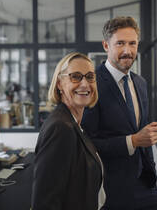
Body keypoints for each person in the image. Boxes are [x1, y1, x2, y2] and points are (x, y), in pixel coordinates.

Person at [82, 16, 157, 210]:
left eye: (132, 43)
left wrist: (146, 137)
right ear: (105, 45)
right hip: (112, 189)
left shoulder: (140, 83)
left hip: (147, 183)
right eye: (120, 43)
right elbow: (87, 144)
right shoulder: (91, 85)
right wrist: (133, 140)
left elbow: (139, 130)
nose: (128, 51)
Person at [31, 52, 105, 210]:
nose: (85, 84)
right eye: (76, 76)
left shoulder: (73, 122)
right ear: (59, 84)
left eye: (90, 76)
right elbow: (44, 203)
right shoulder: (60, 128)